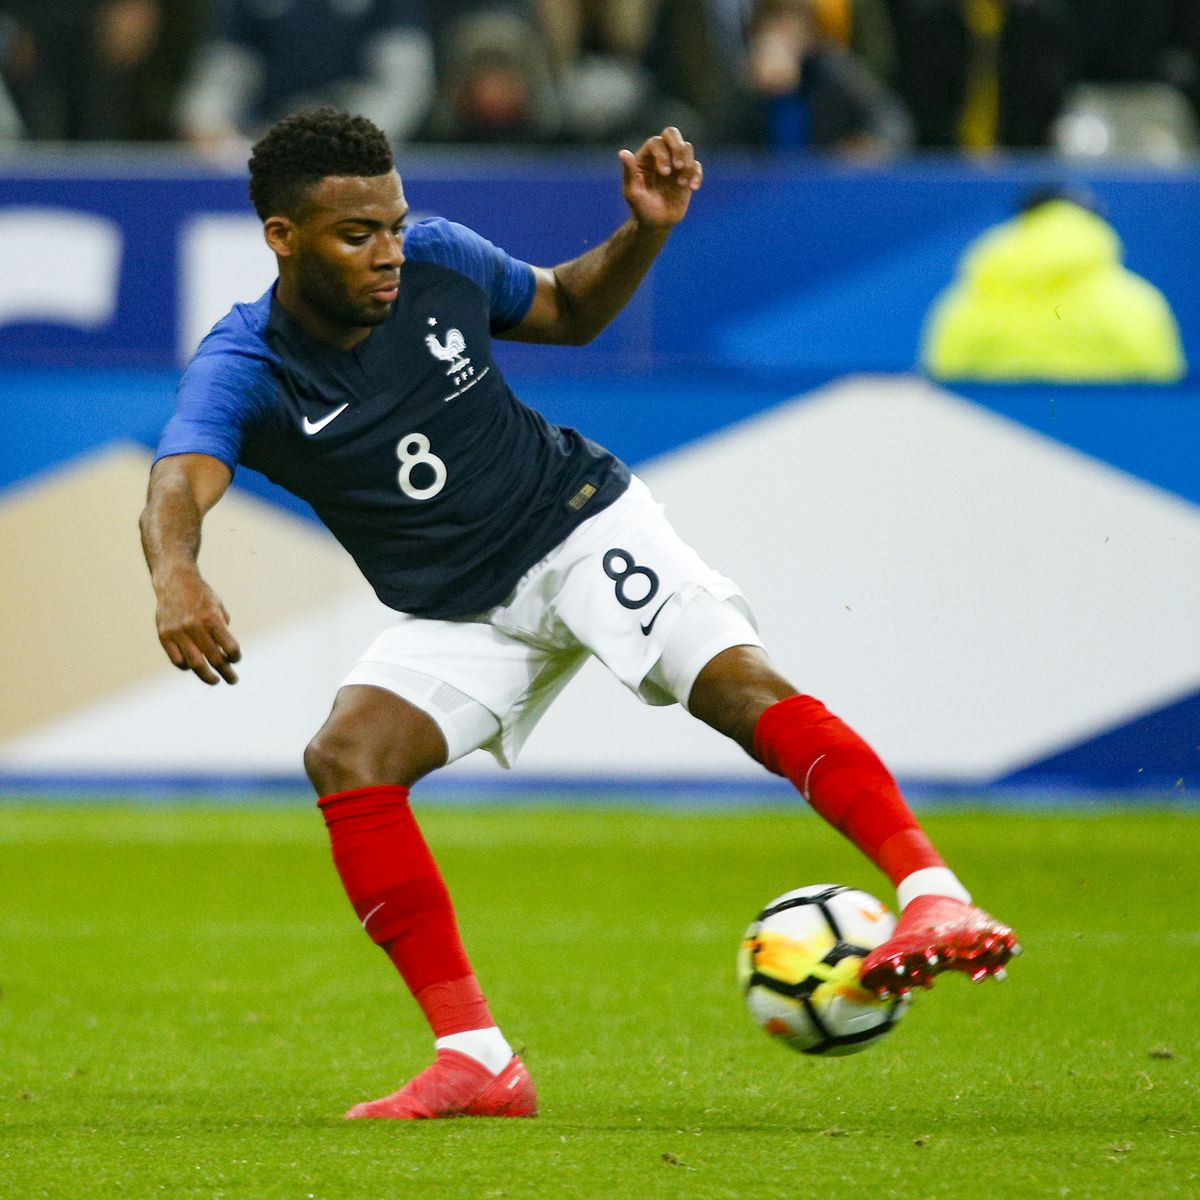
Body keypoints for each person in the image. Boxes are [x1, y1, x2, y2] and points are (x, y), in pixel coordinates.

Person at [139, 107, 1019, 1121]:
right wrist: (176, 573)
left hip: (578, 529)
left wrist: (646, 228)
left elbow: (565, 308)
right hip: (462, 608)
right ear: (281, 238)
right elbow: (179, 478)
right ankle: (477, 1059)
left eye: (393, 222)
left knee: (736, 686)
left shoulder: (441, 258)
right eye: (356, 235)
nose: (389, 253)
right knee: (348, 756)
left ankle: (935, 894)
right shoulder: (246, 363)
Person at [920, 185, 1187, 381]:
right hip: (1104, 449)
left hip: (997, 443)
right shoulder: (1137, 302)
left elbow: (943, 382)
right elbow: (1163, 388)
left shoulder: (967, 301)